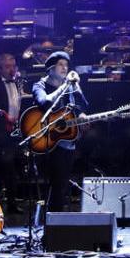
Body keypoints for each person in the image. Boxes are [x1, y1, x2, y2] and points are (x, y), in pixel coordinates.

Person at [31, 51, 87, 212]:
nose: (65, 68)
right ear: (50, 68)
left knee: (61, 185)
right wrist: (64, 86)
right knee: (56, 184)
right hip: (46, 141)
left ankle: (57, 221)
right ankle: (52, 223)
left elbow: (81, 105)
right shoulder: (39, 85)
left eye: (66, 65)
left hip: (66, 142)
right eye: (60, 65)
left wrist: (81, 113)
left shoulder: (71, 86)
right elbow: (44, 102)